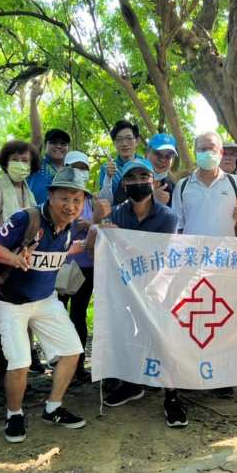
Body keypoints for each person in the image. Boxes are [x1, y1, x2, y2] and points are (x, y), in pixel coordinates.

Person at [0, 167, 89, 443]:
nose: (71, 206)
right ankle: (14, 414)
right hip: (11, 303)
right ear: (51, 195)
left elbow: (63, 251)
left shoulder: (68, 227)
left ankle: (53, 407)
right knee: (20, 361)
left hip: (46, 301)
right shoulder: (27, 218)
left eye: (77, 200)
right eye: (65, 198)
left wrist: (91, 239)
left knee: (72, 351)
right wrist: (14, 259)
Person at [89, 159, 188, 427]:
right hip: (127, 288)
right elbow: (98, 244)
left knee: (163, 339)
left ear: (153, 181)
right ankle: (133, 383)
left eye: (143, 176)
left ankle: (172, 396)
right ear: (123, 184)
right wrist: (100, 223)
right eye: (130, 178)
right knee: (126, 335)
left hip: (159, 288)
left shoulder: (168, 216)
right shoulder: (118, 213)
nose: (137, 182)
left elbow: (160, 254)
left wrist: (121, 239)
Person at [171, 131, 237, 398]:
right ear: (194, 151)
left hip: (225, 263)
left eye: (213, 148)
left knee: (223, 320)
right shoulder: (183, 186)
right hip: (191, 264)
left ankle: (222, 376)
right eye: (202, 148)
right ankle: (191, 373)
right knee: (191, 319)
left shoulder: (235, 184)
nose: (208, 152)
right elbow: (177, 226)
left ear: (221, 153)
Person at [0, 140, 43, 390]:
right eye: (16, 159)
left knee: (23, 322)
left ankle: (19, 379)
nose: (21, 164)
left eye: (26, 160)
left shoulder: (30, 192)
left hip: (23, 265)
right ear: (5, 161)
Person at [57, 151, 102, 383]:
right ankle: (59, 363)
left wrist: (92, 223)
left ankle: (78, 365)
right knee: (57, 315)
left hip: (87, 267)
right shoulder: (59, 197)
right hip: (63, 266)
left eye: (83, 167)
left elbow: (103, 226)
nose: (80, 171)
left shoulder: (92, 199)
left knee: (78, 315)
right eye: (74, 167)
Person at [98, 119, 145, 204]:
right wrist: (108, 177)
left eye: (129, 138)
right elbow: (105, 203)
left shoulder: (145, 165)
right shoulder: (106, 168)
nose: (124, 143)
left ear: (137, 141)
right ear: (114, 143)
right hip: (117, 215)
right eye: (119, 139)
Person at [27, 128, 70, 204]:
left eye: (63, 143)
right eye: (54, 142)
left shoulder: (71, 171)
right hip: (33, 214)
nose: (59, 146)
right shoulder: (37, 163)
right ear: (44, 145)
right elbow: (37, 137)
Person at [145, 133, 179, 206]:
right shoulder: (131, 179)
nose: (163, 160)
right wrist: (150, 200)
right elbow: (118, 213)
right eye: (158, 153)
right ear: (147, 153)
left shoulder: (174, 188)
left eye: (168, 156)